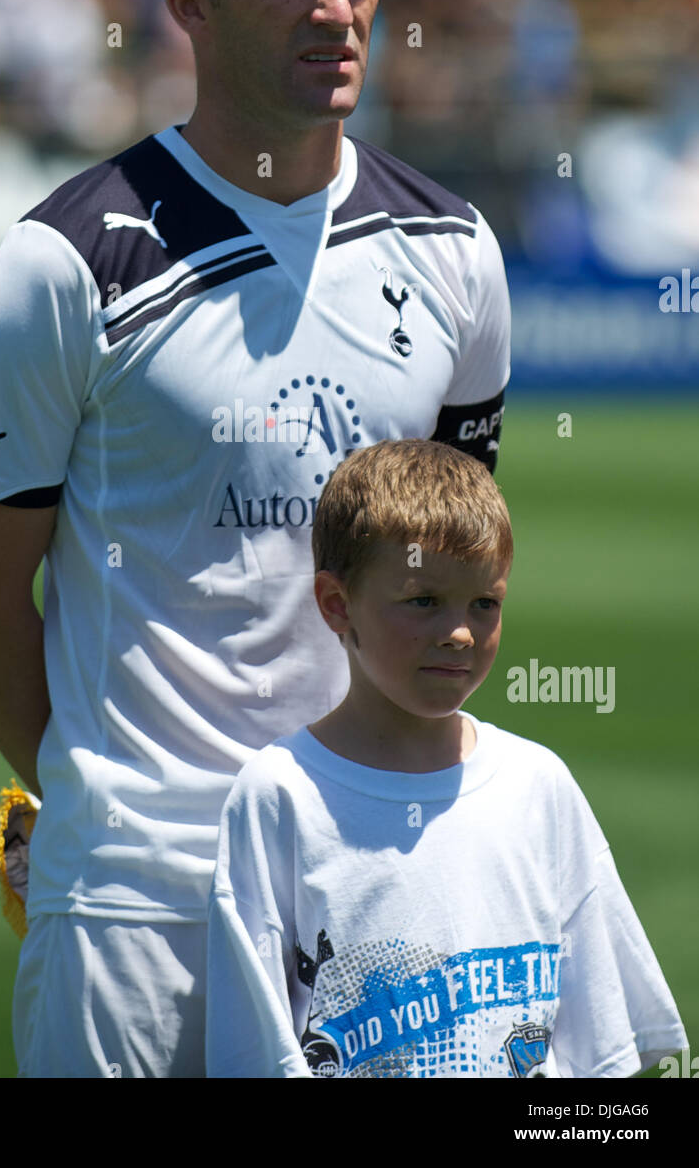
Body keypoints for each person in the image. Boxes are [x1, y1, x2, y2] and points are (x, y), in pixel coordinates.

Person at [0, 0, 511, 1079]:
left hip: (368, 894)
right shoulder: (65, 264)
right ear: (186, 6)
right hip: (135, 911)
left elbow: (443, 580)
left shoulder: (454, 251)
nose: (337, 10)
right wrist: (101, 805)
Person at [206, 439, 687, 1078]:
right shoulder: (279, 796)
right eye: (423, 600)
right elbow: (253, 1052)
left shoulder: (538, 786)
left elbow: (603, 1056)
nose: (459, 631)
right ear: (335, 604)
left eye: (483, 603)